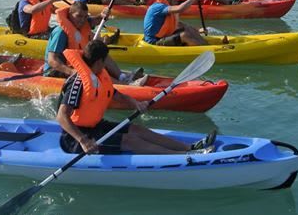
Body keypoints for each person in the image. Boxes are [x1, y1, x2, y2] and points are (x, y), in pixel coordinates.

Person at [56, 40, 216, 154]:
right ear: (100, 61)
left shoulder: (97, 76)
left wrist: (135, 103)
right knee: (129, 141)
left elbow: (114, 94)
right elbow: (62, 117)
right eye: (106, 61)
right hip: (74, 138)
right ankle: (184, 156)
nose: (106, 65)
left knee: (137, 129)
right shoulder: (77, 83)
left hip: (95, 127)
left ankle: (189, 147)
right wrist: (83, 141)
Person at [43, 1, 143, 83]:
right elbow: (52, 60)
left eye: (85, 17)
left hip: (75, 64)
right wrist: (71, 71)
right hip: (57, 71)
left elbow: (96, 20)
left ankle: (122, 77)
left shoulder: (82, 23)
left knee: (100, 53)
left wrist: (104, 15)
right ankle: (125, 85)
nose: (82, 20)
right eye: (79, 16)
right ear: (70, 14)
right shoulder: (60, 32)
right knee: (94, 69)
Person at [143, 0, 207, 46]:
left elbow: (179, 24)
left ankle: (207, 46)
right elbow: (180, 8)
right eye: (175, 0)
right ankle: (206, 50)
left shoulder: (165, 6)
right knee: (184, 35)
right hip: (154, 41)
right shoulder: (159, 7)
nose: (176, 2)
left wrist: (198, 30)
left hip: (163, 37)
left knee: (188, 29)